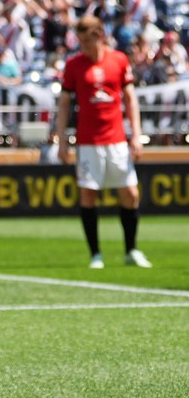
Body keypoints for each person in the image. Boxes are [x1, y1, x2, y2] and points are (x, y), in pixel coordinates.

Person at [52, 16, 151, 269]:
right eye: (80, 41)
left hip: (116, 139)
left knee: (130, 194)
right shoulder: (73, 65)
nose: (83, 46)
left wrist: (136, 134)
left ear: (100, 36)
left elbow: (130, 99)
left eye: (87, 40)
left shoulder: (118, 60)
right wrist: (61, 140)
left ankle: (131, 250)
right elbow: (64, 104)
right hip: (88, 141)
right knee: (88, 194)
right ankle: (95, 254)